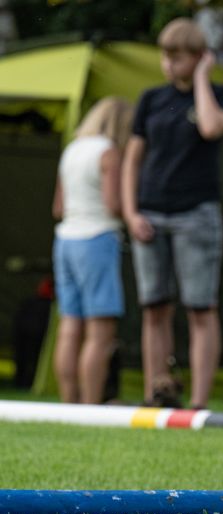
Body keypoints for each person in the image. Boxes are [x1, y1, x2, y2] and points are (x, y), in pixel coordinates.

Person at [122, 17, 223, 409]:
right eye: (165, 57)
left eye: (179, 57)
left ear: (200, 57)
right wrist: (130, 212)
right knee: (154, 307)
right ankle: (158, 392)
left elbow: (209, 127)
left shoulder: (221, 94)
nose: (169, 65)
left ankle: (198, 404)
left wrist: (203, 77)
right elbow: (132, 161)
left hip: (196, 216)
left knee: (200, 308)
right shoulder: (151, 100)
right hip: (150, 214)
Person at [51, 97, 133, 404]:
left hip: (65, 241)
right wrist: (134, 214)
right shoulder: (107, 152)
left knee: (70, 327)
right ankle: (90, 406)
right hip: (96, 239)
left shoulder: (71, 149)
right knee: (100, 333)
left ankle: (69, 404)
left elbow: (58, 207)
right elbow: (113, 204)